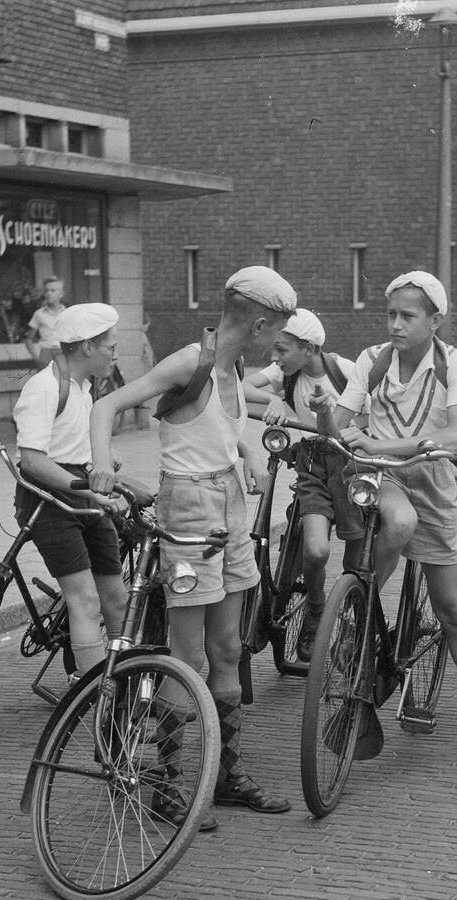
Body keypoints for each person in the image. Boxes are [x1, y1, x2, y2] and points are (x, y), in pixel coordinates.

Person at [87, 266, 297, 829]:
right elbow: (106, 407)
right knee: (190, 655)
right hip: (187, 512)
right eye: (274, 331)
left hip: (228, 508)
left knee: (228, 650)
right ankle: (166, 783)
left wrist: (247, 453)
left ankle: (224, 775)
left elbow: (217, 431)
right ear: (255, 324)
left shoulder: (232, 369)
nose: (274, 343)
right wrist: (102, 463)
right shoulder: (192, 362)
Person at [322, 270, 457, 765]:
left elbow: (456, 439)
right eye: (390, 314)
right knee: (398, 522)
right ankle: (361, 604)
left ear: (435, 321)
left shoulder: (453, 361)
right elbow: (341, 427)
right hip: (379, 477)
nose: (395, 324)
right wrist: (323, 416)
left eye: (407, 316)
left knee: (454, 612)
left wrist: (378, 440)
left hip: (432, 481)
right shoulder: (372, 361)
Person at [12, 303, 127, 686]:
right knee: (85, 600)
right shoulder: (43, 388)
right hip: (49, 501)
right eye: (110, 345)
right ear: (87, 346)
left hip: (85, 494)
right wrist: (88, 489)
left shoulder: (86, 388)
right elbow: (31, 461)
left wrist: (105, 463)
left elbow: (76, 447)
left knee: (117, 598)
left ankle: (121, 677)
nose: (115, 352)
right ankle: (91, 694)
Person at [243, 307, 365, 661]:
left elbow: (373, 413)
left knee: (355, 563)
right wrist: (276, 399)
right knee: (316, 550)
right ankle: (315, 612)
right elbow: (243, 386)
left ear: (309, 349)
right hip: (312, 466)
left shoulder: (345, 371)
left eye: (282, 350)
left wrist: (354, 429)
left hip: (351, 468)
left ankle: (349, 624)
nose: (274, 356)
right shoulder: (286, 374)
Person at [25, 277, 66, 364]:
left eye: (52, 290)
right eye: (46, 291)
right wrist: (36, 357)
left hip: (63, 353)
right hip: (46, 353)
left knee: (64, 377)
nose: (49, 293)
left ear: (61, 294)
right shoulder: (39, 314)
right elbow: (29, 340)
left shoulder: (67, 313)